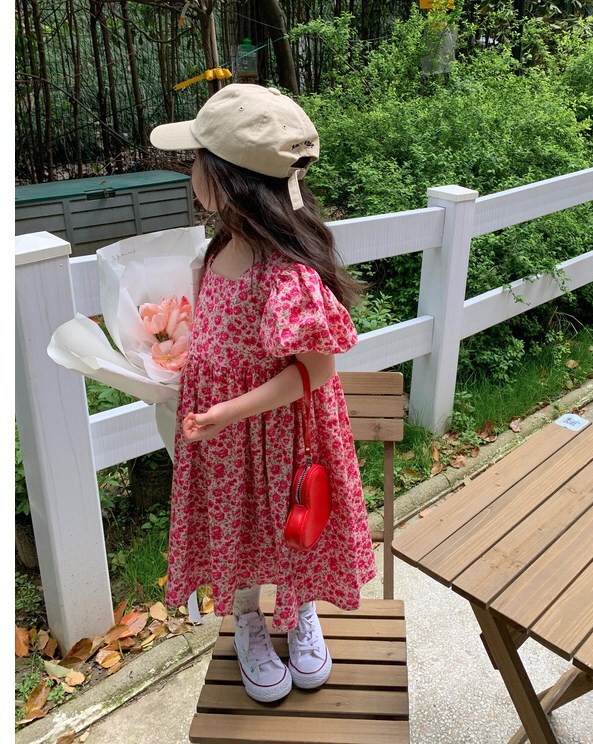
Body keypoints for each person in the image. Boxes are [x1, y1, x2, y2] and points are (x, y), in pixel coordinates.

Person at [149, 83, 377, 703]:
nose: (191, 172)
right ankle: (248, 618)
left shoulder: (284, 269)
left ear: (227, 179)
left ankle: (299, 611)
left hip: (283, 435)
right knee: (240, 526)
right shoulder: (218, 249)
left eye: (198, 160)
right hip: (227, 442)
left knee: (292, 522)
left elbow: (317, 369)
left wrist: (230, 408)